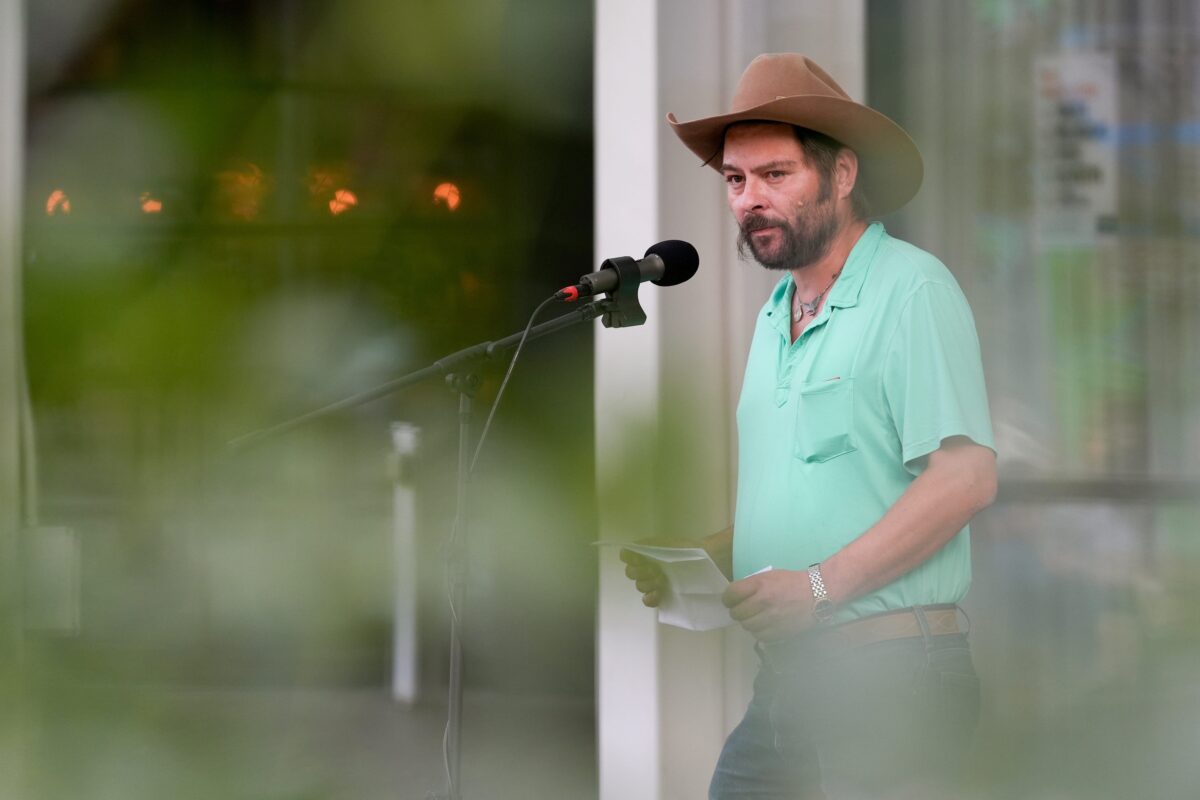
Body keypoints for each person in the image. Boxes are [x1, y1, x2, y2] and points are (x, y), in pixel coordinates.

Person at [620, 54, 998, 799]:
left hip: (893, 678)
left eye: (775, 175)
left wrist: (817, 587)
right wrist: (714, 557)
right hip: (789, 681)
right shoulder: (776, 315)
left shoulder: (912, 289)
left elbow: (966, 478)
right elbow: (836, 487)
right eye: (735, 179)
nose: (750, 199)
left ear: (843, 174)